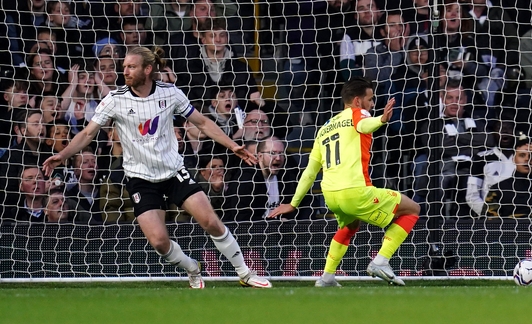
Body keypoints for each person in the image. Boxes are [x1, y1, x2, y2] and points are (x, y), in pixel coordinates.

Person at [42, 47, 271, 289]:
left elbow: (202, 122)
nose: (125, 71)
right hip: (140, 178)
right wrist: (62, 154)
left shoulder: (170, 93)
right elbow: (88, 132)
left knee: (211, 222)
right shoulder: (115, 99)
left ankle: (244, 272)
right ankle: (191, 267)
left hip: (173, 173)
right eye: (125, 67)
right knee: (160, 243)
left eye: (131, 67)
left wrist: (234, 146)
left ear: (147, 69)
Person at [269, 77, 420, 287]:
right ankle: (381, 261)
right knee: (412, 209)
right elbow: (364, 124)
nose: (373, 104)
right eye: (371, 99)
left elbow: (310, 172)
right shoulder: (360, 114)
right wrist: (381, 120)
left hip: (331, 196)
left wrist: (293, 203)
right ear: (357, 101)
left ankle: (327, 277)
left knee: (350, 225)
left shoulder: (325, 128)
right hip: (354, 191)